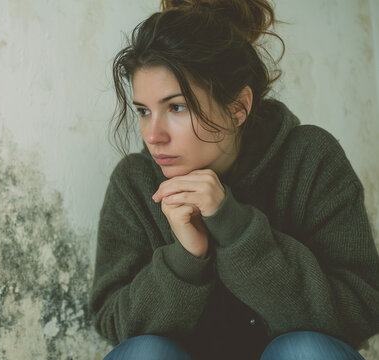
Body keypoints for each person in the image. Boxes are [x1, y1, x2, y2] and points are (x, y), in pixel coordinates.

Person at [88, 0, 379, 359]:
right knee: (144, 353)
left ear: (239, 107)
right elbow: (115, 325)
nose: (153, 135)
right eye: (144, 112)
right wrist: (186, 258)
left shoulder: (310, 158)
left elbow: (361, 312)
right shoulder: (135, 182)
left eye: (176, 107)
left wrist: (236, 229)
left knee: (305, 351)